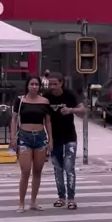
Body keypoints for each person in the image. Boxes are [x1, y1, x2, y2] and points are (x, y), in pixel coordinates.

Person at [10, 76, 52, 213]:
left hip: (40, 137)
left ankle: (33, 201)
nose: (34, 86)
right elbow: (14, 119)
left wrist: (50, 139)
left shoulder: (44, 101)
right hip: (24, 136)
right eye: (32, 84)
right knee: (25, 171)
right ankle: (21, 202)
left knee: (37, 171)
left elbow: (48, 122)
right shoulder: (20, 100)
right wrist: (12, 137)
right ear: (27, 85)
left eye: (36, 84)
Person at [45, 72, 85, 210]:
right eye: (50, 84)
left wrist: (71, 110)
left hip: (69, 137)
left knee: (69, 168)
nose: (52, 87)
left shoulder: (70, 94)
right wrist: (49, 139)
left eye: (55, 84)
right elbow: (46, 119)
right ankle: (61, 197)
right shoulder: (47, 96)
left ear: (61, 83)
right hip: (55, 137)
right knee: (58, 168)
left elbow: (83, 110)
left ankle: (71, 199)